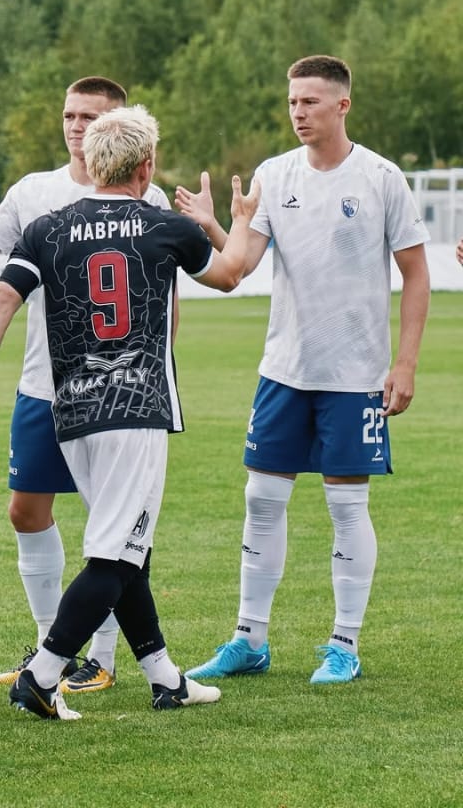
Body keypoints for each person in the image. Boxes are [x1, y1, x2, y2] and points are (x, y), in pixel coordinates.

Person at [0, 105, 260, 719]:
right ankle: (41, 677)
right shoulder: (167, 225)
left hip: (71, 409)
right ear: (147, 166)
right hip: (135, 408)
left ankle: (165, 678)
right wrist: (234, 221)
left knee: (126, 549)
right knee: (116, 555)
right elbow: (230, 275)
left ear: (91, 163)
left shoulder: (46, 228)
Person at [179, 55, 430, 686]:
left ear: (343, 105)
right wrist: (215, 226)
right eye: (293, 101)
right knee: (261, 500)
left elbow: (417, 273)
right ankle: (249, 640)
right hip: (284, 371)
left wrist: (404, 363)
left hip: (355, 376)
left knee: (346, 506)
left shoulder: (382, 178)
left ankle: (344, 645)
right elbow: (239, 267)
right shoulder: (274, 174)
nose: (298, 112)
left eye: (310, 101)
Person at [0, 76, 172, 694]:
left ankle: (100, 658)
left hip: (118, 392)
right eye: (69, 115)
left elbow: (166, 303)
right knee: (26, 511)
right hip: (44, 385)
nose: (75, 127)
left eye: (90, 117)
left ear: (118, 127)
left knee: (113, 531)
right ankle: (53, 651)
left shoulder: (146, 199)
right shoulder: (33, 192)